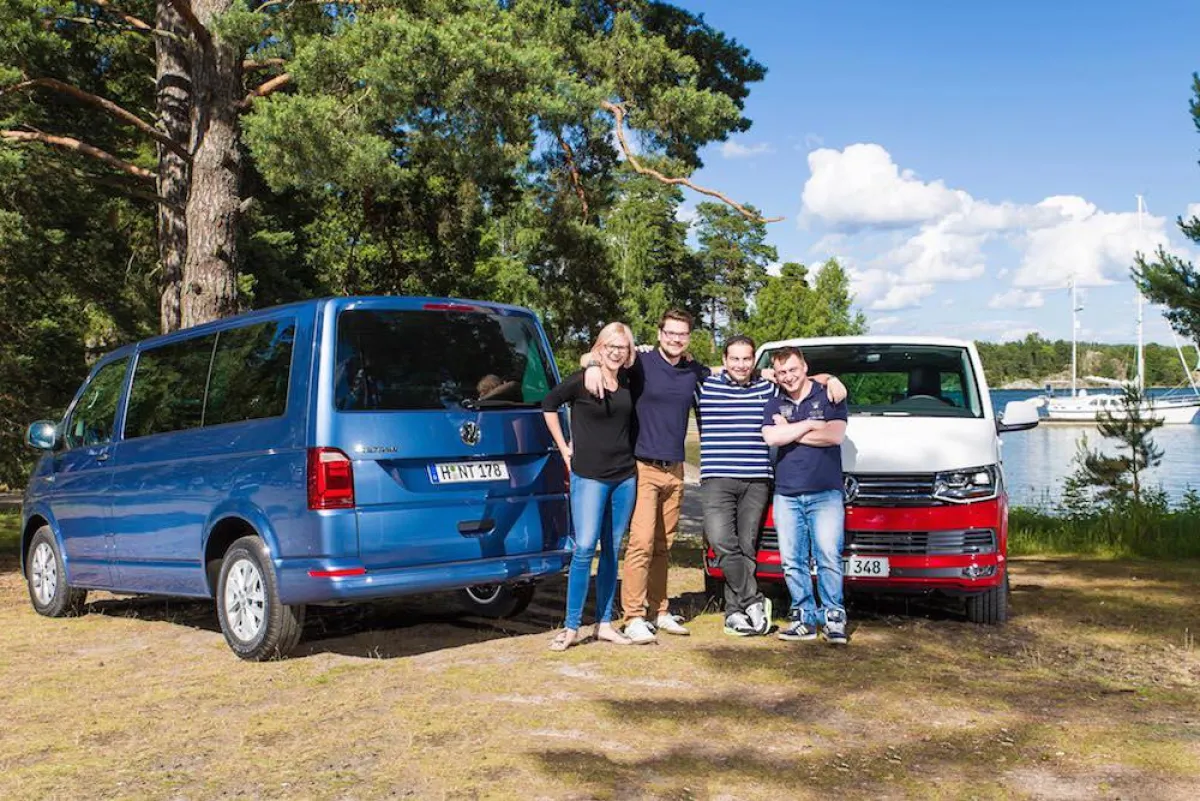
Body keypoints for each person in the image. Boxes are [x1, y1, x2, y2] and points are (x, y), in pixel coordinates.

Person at [584, 309, 707, 643]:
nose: (676, 339)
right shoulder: (641, 362)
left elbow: (734, 374)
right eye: (670, 333)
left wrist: (824, 379)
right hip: (643, 467)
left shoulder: (693, 370)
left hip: (676, 469)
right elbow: (596, 354)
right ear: (660, 332)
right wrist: (593, 366)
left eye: (682, 334)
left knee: (664, 545)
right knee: (640, 543)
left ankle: (660, 610)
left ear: (688, 337)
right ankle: (634, 616)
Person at [542, 322, 640, 651]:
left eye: (622, 347)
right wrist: (564, 447)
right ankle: (571, 627)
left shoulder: (629, 378)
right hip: (589, 476)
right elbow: (548, 404)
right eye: (610, 346)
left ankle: (605, 623)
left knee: (613, 549)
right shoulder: (583, 379)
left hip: (625, 477)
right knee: (584, 548)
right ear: (599, 346)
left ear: (629, 352)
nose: (616, 352)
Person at [761, 346, 850, 645]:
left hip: (825, 493)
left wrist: (793, 431)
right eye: (782, 372)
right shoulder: (773, 402)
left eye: (793, 370)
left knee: (828, 556)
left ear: (804, 367)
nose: (788, 376)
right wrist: (812, 425)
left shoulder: (830, 395)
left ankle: (834, 618)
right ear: (776, 374)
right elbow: (772, 437)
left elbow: (834, 436)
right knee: (792, 560)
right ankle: (803, 618)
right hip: (786, 494)